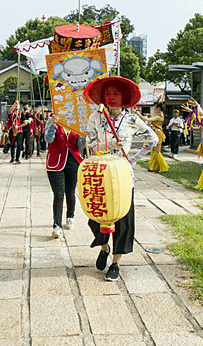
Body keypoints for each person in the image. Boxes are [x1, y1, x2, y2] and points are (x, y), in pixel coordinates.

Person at [84, 76, 158, 281]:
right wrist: (108, 147)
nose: (112, 98)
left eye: (116, 94)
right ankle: (104, 247)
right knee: (95, 216)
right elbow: (89, 145)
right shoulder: (95, 118)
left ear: (124, 97)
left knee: (123, 221)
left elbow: (153, 139)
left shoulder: (133, 120)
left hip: (123, 175)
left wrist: (133, 159)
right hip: (99, 173)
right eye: (108, 94)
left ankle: (115, 263)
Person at [44, 114, 84, 237]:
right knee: (58, 194)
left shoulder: (77, 122)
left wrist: (85, 135)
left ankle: (70, 216)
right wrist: (52, 125)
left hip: (73, 162)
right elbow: (48, 139)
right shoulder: (52, 120)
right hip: (55, 162)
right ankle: (57, 225)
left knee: (70, 192)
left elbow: (81, 145)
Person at [136, 104, 168, 172]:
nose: (155, 110)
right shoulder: (159, 115)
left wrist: (139, 114)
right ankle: (154, 167)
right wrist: (151, 116)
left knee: (157, 151)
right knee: (153, 151)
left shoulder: (160, 116)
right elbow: (152, 119)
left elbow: (147, 119)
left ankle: (163, 167)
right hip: (155, 133)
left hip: (158, 133)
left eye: (156, 108)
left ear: (159, 108)